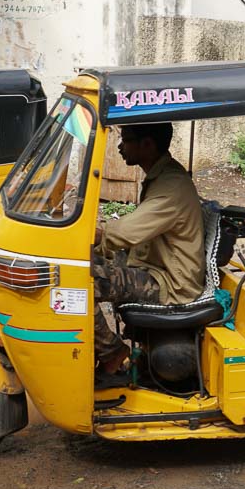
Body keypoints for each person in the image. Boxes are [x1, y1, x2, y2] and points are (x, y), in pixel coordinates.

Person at [92, 123, 205, 374]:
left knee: (79, 281)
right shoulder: (161, 176)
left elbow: (126, 232)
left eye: (126, 140)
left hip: (170, 284)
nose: (120, 147)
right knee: (85, 261)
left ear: (147, 145)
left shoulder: (171, 186)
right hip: (155, 266)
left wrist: (84, 233)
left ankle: (112, 352)